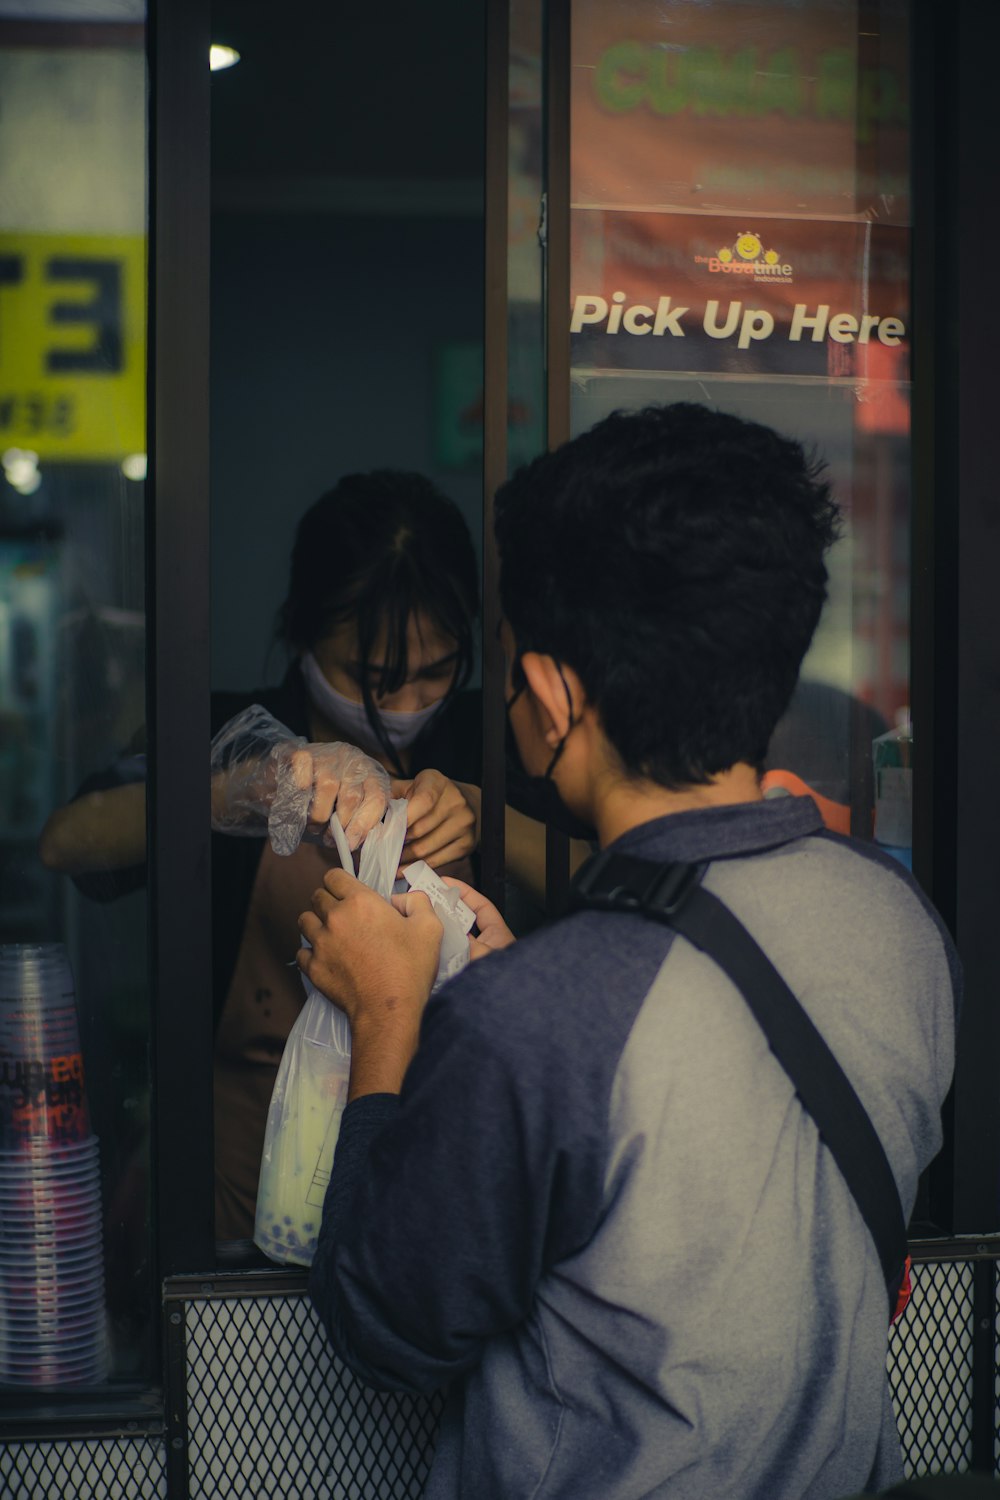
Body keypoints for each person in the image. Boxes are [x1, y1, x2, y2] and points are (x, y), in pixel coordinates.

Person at [298, 405, 960, 1500]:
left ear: (552, 701)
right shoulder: (898, 926)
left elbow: (384, 1327)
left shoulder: (535, 1017)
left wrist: (387, 1018)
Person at [40, 469, 486, 1243]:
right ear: (302, 632)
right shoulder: (219, 733)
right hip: (243, 1211)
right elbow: (67, 840)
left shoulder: (486, 742)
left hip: (440, 1212)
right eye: (371, 680)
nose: (405, 708)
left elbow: (604, 866)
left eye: (435, 674)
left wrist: (484, 809)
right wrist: (236, 790)